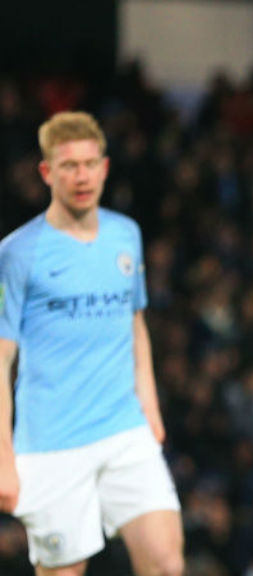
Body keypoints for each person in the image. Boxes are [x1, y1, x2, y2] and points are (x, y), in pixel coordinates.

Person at [0, 111, 183, 576]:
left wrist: (151, 408)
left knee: (166, 563)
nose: (81, 176)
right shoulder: (18, 252)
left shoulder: (126, 234)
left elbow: (134, 323)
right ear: (47, 173)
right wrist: (2, 455)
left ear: (104, 167)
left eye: (89, 163)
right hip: (51, 444)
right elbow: (1, 359)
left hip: (124, 430)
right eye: (68, 166)